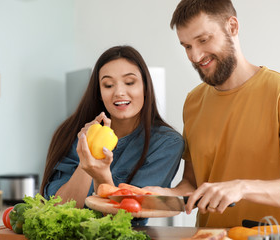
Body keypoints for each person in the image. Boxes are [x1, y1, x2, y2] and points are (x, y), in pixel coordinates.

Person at [145, 0, 280, 227]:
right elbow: (192, 184)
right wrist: (159, 196)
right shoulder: (193, 101)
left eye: (203, 40)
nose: (195, 56)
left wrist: (242, 187)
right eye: (187, 46)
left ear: (232, 27)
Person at [40, 45, 184, 226]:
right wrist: (88, 158)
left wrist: (102, 176)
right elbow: (57, 212)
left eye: (130, 82)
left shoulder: (166, 143)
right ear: (99, 93)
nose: (119, 92)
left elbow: (129, 220)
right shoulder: (74, 134)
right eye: (108, 85)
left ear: (146, 87)